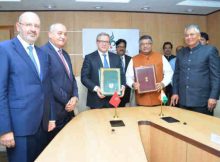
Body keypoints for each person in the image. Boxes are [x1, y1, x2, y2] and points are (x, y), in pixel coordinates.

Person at [0, 12, 55, 162]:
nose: (33, 29)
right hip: (19, 128)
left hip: (43, 127)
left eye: (36, 26)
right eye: (28, 25)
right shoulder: (4, 49)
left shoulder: (42, 54)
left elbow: (47, 88)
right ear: (18, 26)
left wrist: (51, 117)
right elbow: (1, 92)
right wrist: (4, 130)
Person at [171, 24, 220, 115]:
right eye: (186, 35)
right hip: (183, 100)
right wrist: (175, 92)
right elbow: (177, 74)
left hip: (203, 101)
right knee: (183, 127)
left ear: (198, 36)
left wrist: (213, 97)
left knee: (203, 128)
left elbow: (216, 76)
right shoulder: (181, 52)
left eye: (192, 34)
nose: (189, 37)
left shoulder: (209, 50)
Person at [41, 23, 78, 141]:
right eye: (59, 33)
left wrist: (75, 97)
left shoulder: (65, 54)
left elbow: (71, 78)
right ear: (50, 35)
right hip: (54, 112)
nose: (63, 36)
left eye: (65, 34)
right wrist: (67, 101)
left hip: (67, 110)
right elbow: (48, 82)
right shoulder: (43, 52)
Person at [81, 32, 125, 109]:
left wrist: (122, 86)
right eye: (101, 41)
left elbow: (122, 75)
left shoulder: (116, 57)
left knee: (114, 120)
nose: (104, 44)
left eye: (107, 42)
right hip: (96, 99)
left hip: (114, 98)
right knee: (97, 120)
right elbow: (84, 78)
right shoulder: (89, 58)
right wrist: (96, 88)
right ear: (97, 42)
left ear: (109, 44)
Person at [126, 35, 173, 106]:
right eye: (142, 44)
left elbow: (169, 73)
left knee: (163, 116)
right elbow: (128, 77)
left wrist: (163, 83)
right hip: (141, 99)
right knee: (142, 116)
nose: (145, 46)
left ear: (151, 45)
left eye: (148, 43)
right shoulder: (133, 59)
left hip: (160, 96)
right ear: (139, 46)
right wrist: (133, 84)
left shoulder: (161, 57)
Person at [115, 39, 131, 107]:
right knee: (114, 108)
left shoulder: (130, 59)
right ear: (116, 48)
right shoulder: (111, 58)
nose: (121, 48)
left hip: (127, 89)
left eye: (123, 47)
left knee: (124, 110)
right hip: (115, 89)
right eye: (119, 46)